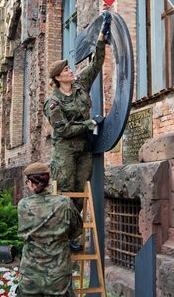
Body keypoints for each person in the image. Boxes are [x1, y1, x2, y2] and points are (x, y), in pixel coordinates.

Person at [43, 11, 111, 212]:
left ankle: (73, 236)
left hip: (84, 148)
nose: (70, 71)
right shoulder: (53, 102)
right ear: (57, 78)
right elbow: (63, 130)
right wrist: (88, 124)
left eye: (69, 69)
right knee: (65, 190)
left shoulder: (80, 84)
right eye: (65, 71)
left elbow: (95, 65)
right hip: (65, 151)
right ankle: (62, 234)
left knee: (81, 191)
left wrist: (101, 38)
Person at [17, 162, 83, 297]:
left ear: (30, 183)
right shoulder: (64, 202)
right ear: (48, 182)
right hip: (58, 274)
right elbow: (77, 230)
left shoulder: (23, 205)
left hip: (31, 273)